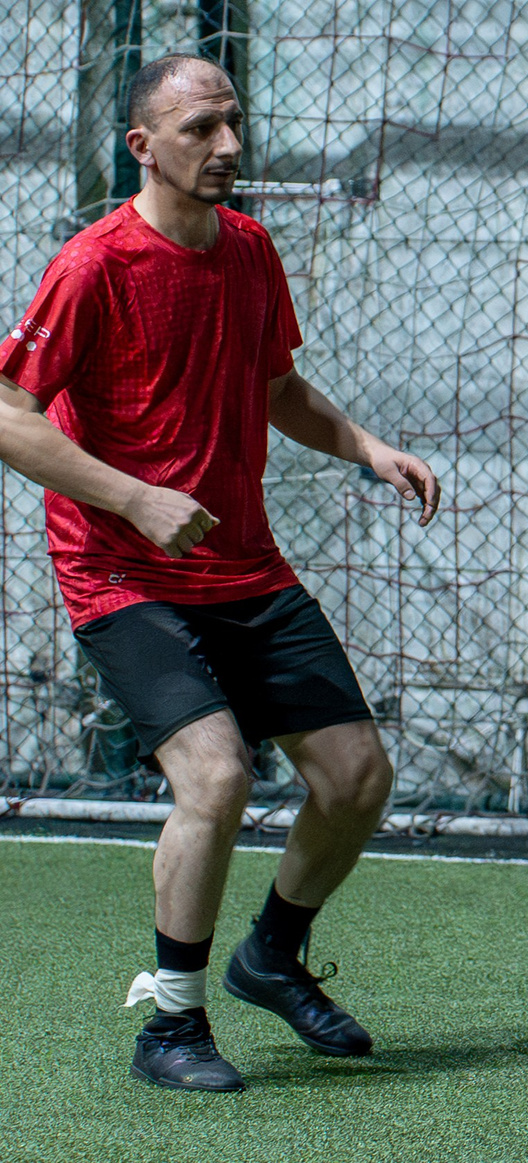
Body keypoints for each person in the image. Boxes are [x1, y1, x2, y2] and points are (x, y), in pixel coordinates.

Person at [0, 53, 439, 1094]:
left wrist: (367, 446)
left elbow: (276, 381)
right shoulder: (96, 265)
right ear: (143, 147)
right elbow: (9, 415)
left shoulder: (248, 250)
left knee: (357, 778)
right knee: (218, 777)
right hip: (123, 573)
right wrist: (133, 497)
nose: (229, 148)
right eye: (201, 129)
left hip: (243, 565)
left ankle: (270, 959)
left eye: (233, 124)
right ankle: (171, 1027)